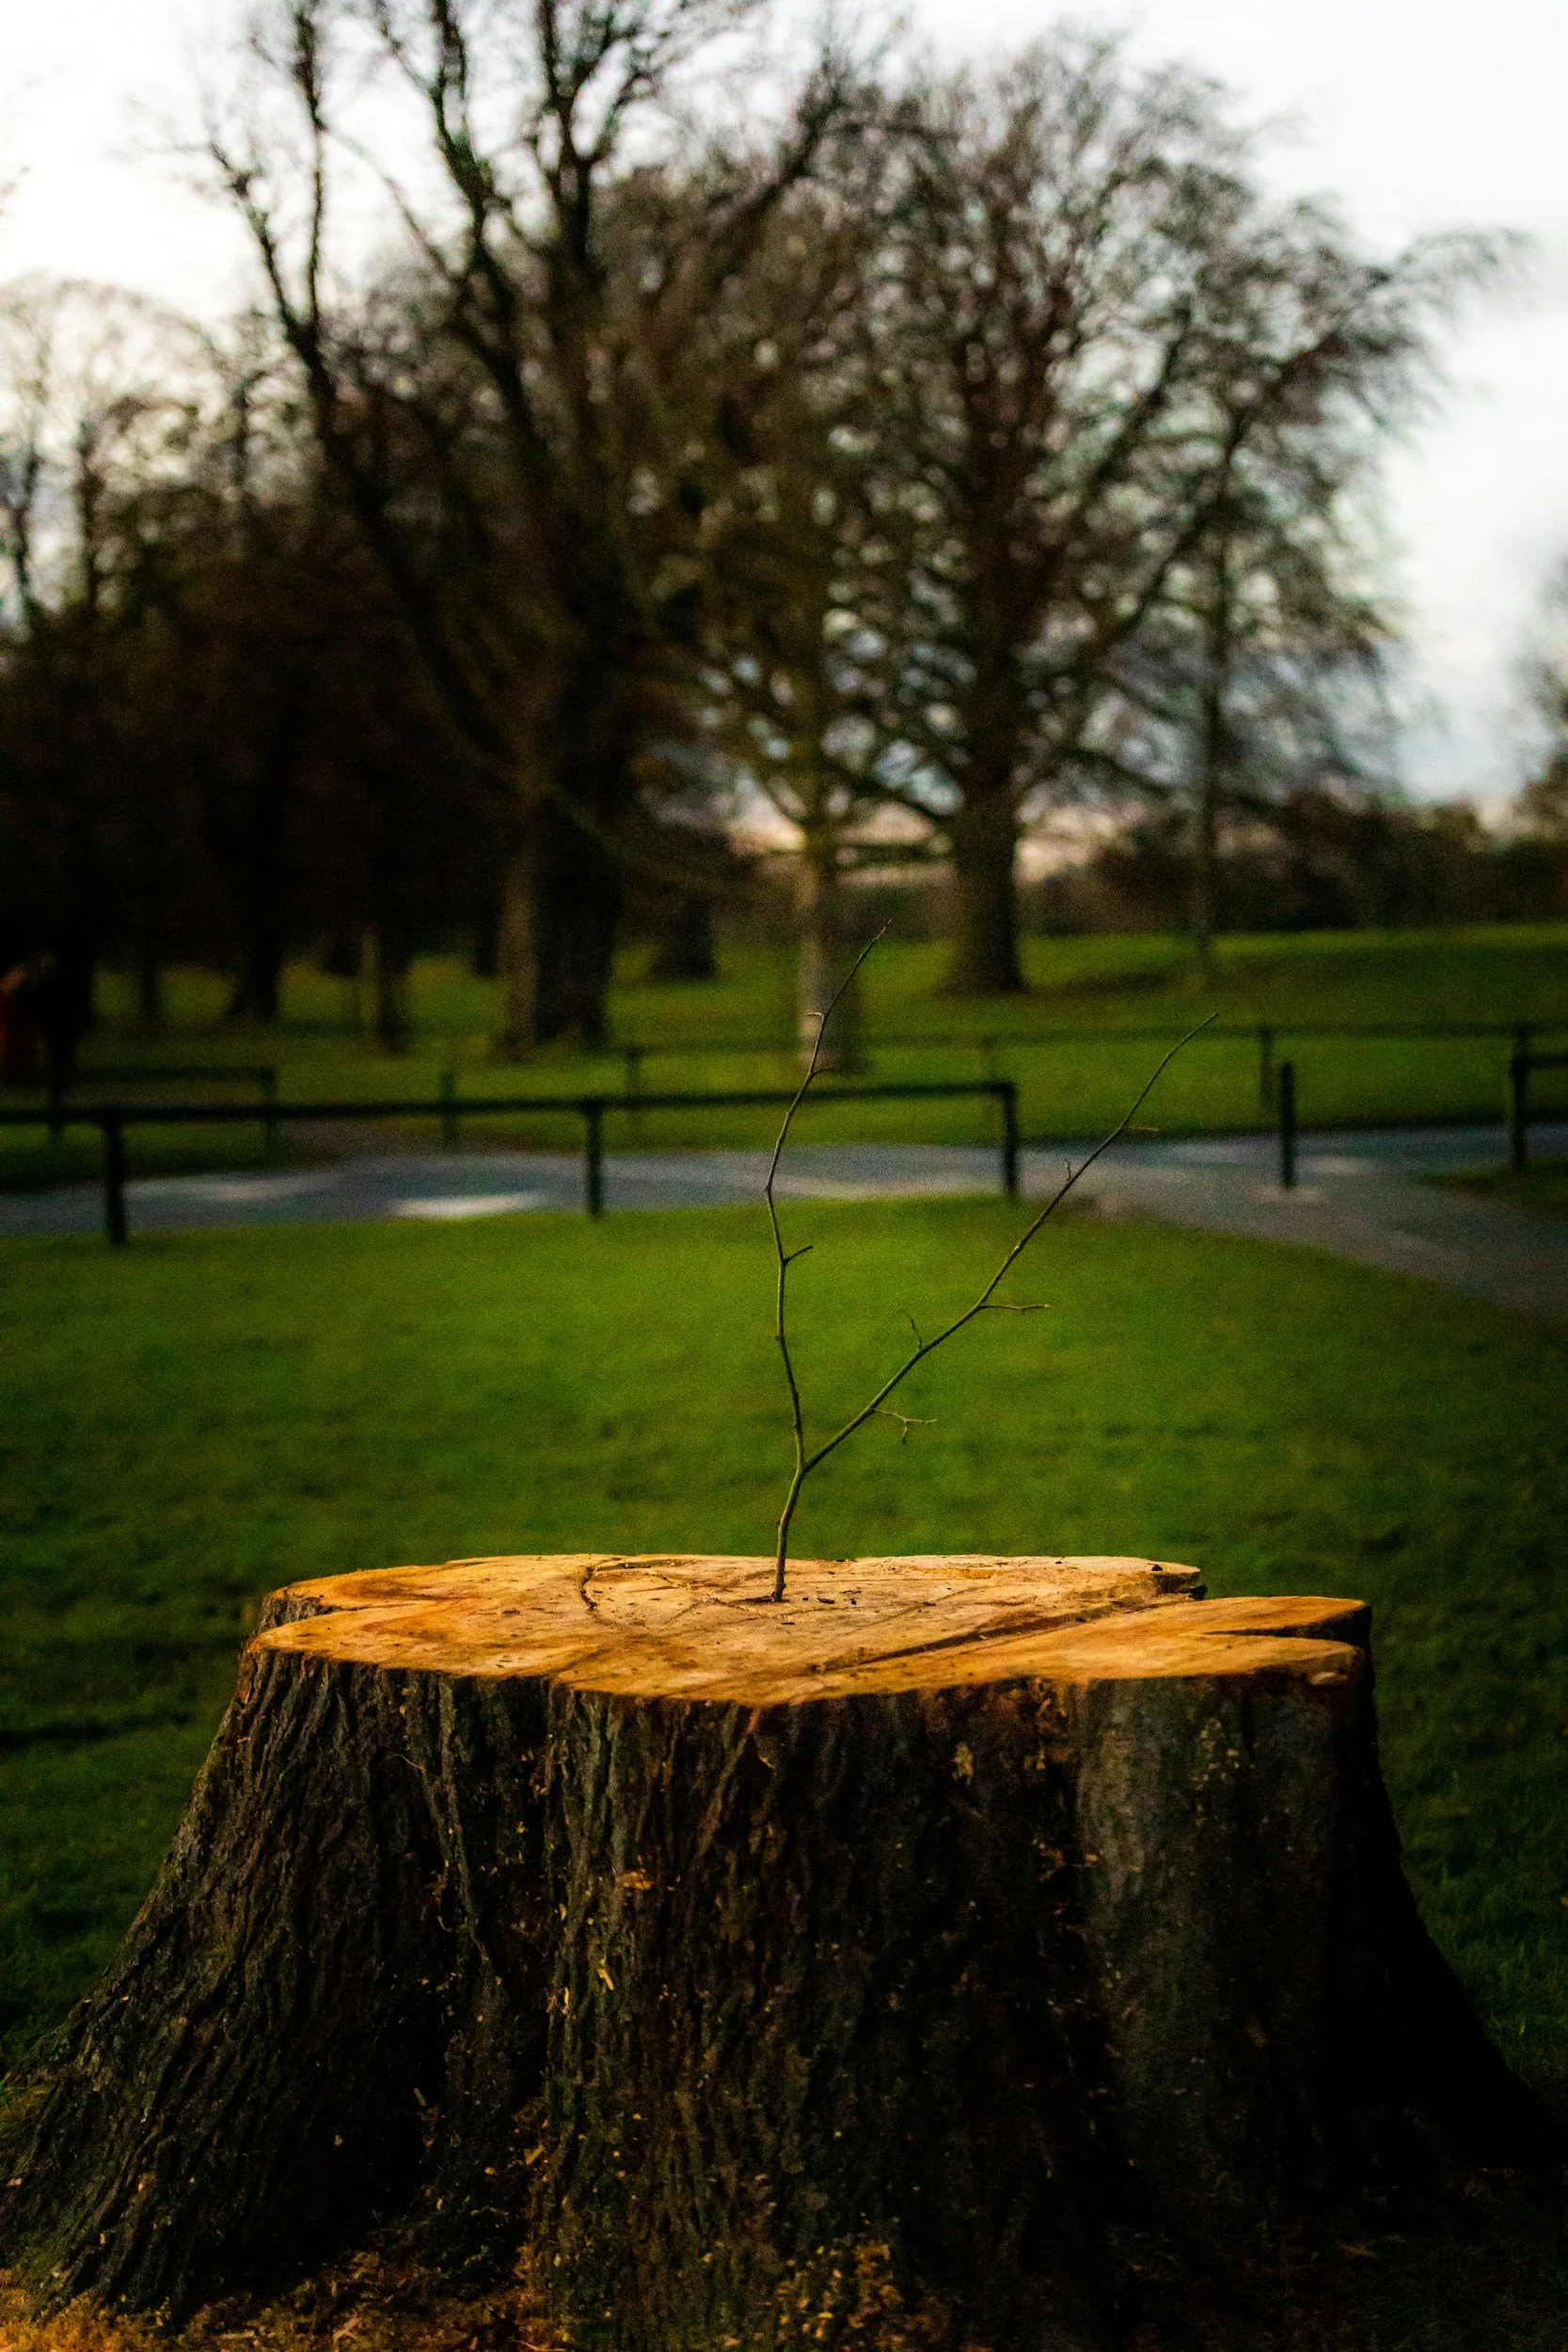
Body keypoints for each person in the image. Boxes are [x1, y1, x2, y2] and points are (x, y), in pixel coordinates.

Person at [0, 961, 42, 1086]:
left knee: (18, 1048)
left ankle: (19, 1074)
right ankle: (15, 1074)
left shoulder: (16, 996)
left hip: (18, 1026)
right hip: (14, 1026)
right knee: (14, 1048)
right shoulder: (9, 997)